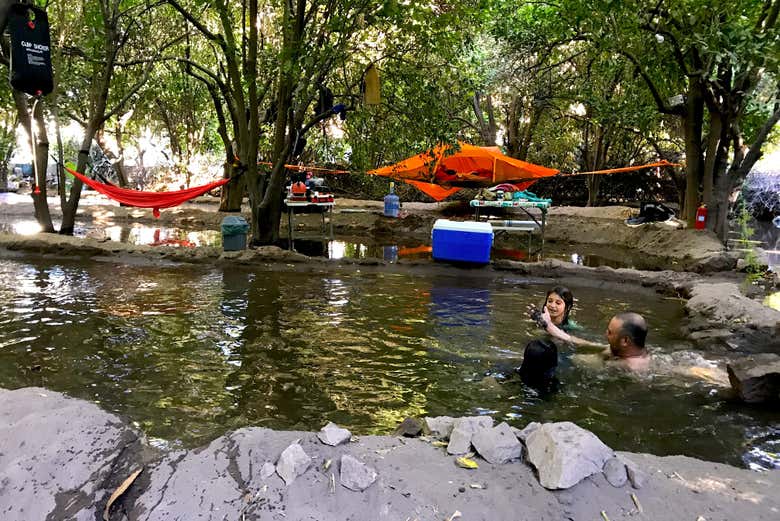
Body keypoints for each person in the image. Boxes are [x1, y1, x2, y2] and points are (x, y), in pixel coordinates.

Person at [540, 308, 650, 372]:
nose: (605, 334)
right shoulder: (623, 350)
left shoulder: (629, 366)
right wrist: (550, 327)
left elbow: (579, 361)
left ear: (625, 341)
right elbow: (588, 344)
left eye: (610, 332)